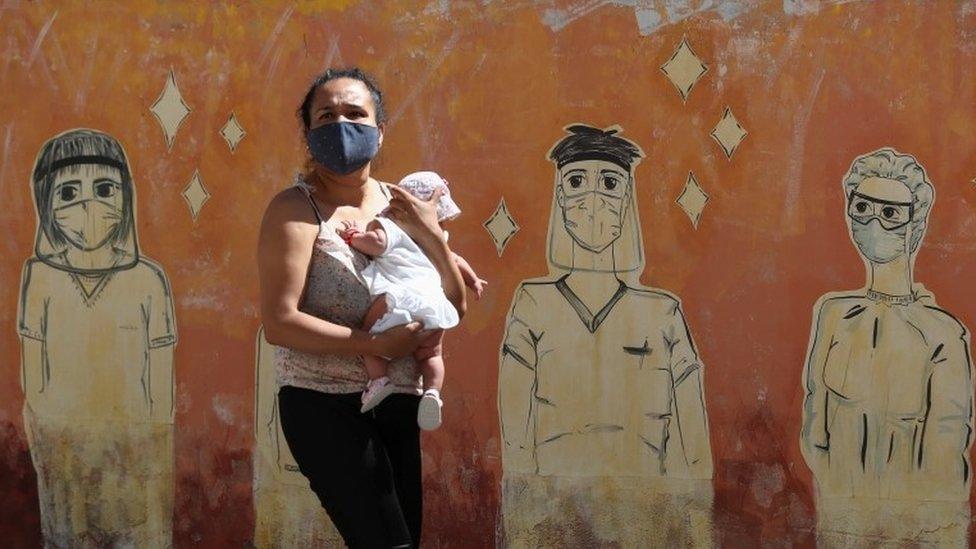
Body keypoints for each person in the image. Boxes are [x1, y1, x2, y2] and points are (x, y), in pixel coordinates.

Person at [258, 67, 466, 548]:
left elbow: (454, 306)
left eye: (355, 113)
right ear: (308, 134)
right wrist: (373, 343)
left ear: (379, 129)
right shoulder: (294, 209)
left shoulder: (405, 203)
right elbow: (279, 322)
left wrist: (433, 236)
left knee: (404, 541)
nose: (341, 125)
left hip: (398, 401)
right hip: (321, 402)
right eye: (326, 116)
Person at [497, 124, 712, 547]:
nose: (592, 200)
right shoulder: (532, 303)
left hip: (648, 509)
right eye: (577, 182)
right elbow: (515, 431)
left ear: (626, 199)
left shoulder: (663, 312)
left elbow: (693, 435)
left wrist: (695, 519)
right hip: (551, 508)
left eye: (609, 183)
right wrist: (525, 516)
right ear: (560, 197)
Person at [799, 147, 973, 544]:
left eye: (891, 213)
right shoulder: (832, 314)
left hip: (916, 533)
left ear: (917, 224)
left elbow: (946, 460)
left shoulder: (943, 335)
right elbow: (815, 428)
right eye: (861, 208)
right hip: (841, 525)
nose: (873, 222)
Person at [18, 128, 176, 546]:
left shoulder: (149, 280)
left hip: (135, 454)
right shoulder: (39, 278)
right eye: (68, 193)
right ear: (46, 205)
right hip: (62, 453)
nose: (89, 205)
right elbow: (34, 380)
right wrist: (47, 447)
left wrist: (151, 454)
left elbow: (161, 390)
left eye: (105, 188)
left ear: (125, 196)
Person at [340, 171, 485, 431]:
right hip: (434, 305)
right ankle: (432, 393)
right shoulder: (437, 240)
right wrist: (473, 280)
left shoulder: (391, 227)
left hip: (399, 299)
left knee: (368, 338)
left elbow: (376, 244)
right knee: (432, 353)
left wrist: (354, 237)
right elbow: (457, 262)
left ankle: (379, 380)